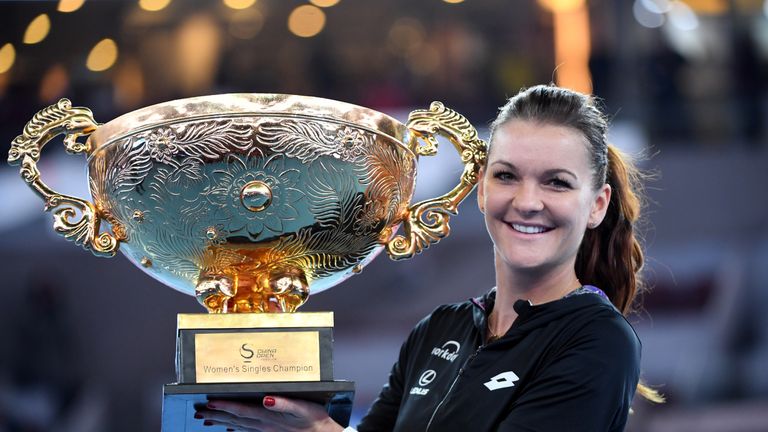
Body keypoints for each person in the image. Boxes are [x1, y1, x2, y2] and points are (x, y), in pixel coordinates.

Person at [194, 84, 663, 431]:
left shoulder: (598, 341)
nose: (527, 201)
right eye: (506, 176)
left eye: (557, 182)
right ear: (480, 190)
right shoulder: (439, 329)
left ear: (597, 205)